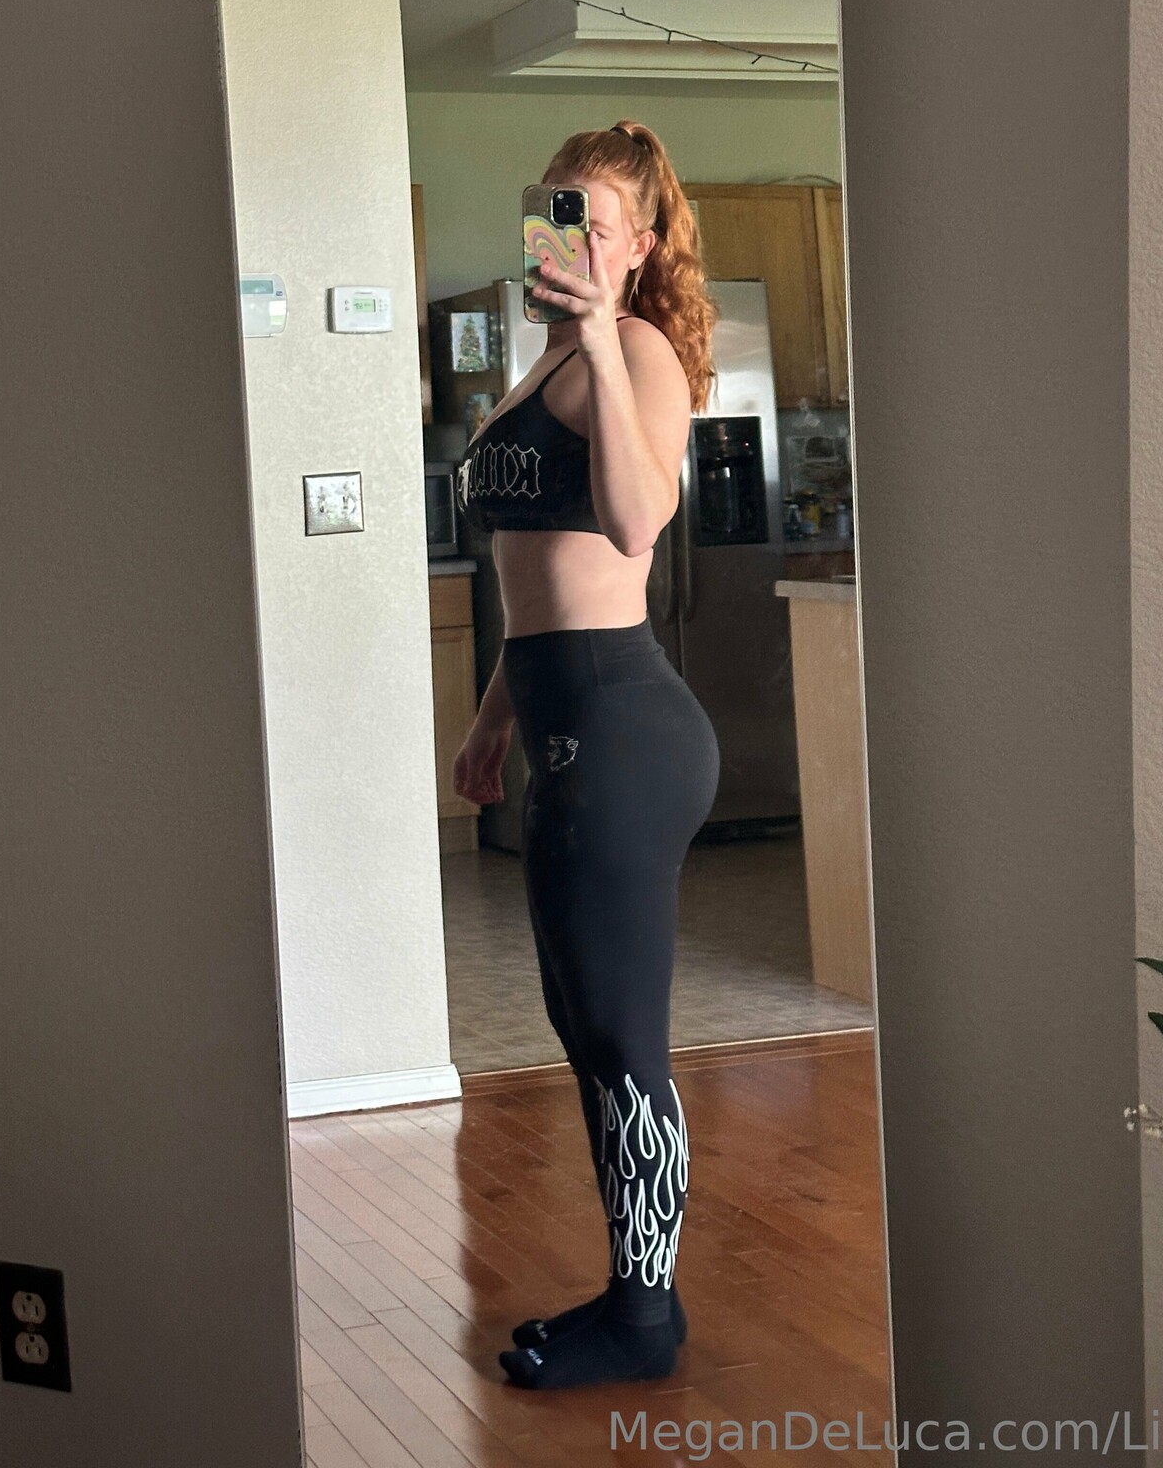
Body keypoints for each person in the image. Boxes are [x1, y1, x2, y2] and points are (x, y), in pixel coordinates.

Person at [452, 121, 722, 1390]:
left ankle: (644, 1316)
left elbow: (631, 524)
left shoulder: (638, 353)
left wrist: (609, 334)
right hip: (565, 717)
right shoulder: (542, 360)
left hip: (625, 730)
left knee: (620, 1033)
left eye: (591, 221)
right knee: (582, 1019)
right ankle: (634, 1294)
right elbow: (536, 581)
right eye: (552, 210)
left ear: (640, 245)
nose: (563, 237)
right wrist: (493, 719)